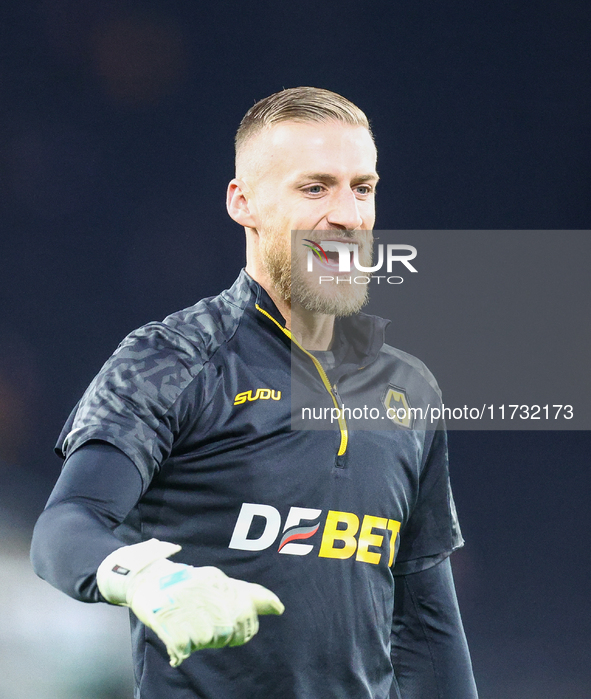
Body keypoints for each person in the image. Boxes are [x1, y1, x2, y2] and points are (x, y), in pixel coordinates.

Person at [31, 87, 479, 699]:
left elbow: (426, 620)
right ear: (244, 203)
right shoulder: (172, 360)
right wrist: (147, 579)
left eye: (363, 188)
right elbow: (66, 524)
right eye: (315, 188)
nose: (348, 215)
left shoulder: (407, 388)